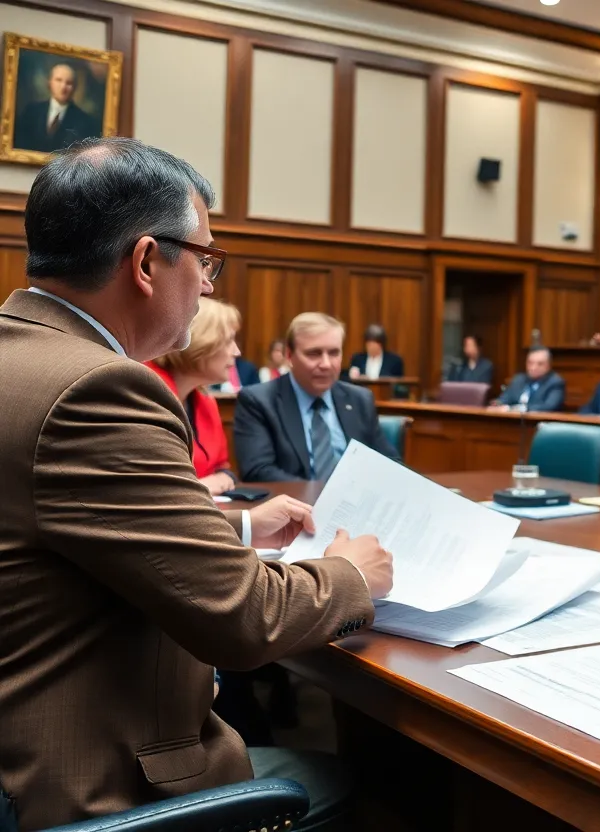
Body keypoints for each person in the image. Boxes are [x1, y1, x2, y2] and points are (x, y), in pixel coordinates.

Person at [0, 137, 393, 832]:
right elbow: (244, 619)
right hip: (92, 780)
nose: (210, 284)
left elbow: (73, 529)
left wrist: (238, 527)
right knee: (376, 788)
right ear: (148, 261)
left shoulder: (20, 352)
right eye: (205, 259)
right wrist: (351, 573)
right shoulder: (100, 388)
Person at [234, 312, 402, 482]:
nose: (326, 364)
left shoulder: (359, 399)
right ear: (289, 355)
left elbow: (390, 463)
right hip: (295, 504)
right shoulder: (259, 401)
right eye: (314, 354)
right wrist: (325, 497)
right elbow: (258, 471)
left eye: (334, 353)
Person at [146, 297, 243, 495]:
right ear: (200, 340)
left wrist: (221, 478)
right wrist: (203, 486)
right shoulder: (146, 389)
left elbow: (223, 468)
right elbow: (149, 485)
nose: (237, 352)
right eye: (228, 341)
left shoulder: (205, 400)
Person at [13, 62, 101, 154]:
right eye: (58, 80)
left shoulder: (85, 121)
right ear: (49, 82)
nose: (63, 87)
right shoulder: (31, 111)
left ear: (75, 87)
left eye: (69, 83)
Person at [495, 346, 566, 412]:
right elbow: (503, 399)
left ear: (549, 365)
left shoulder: (555, 382)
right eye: (530, 363)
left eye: (540, 364)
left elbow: (549, 407)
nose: (533, 368)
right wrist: (497, 404)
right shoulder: (518, 379)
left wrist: (515, 409)